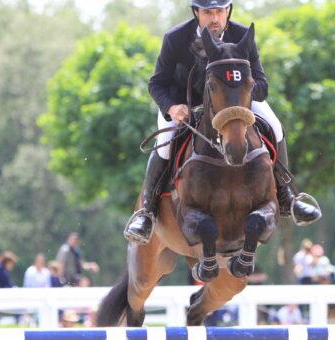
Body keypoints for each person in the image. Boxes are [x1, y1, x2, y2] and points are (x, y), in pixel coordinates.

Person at [124, 0, 321, 245]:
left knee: (275, 123)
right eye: (208, 12)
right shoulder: (175, 38)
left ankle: (287, 195)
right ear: (196, 12)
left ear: (228, 11)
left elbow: (261, 83)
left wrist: (242, 93)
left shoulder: (241, 35)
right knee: (165, 141)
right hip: (185, 105)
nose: (215, 18)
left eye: (220, 11)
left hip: (234, 103)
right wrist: (172, 107)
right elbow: (157, 83)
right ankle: (147, 211)